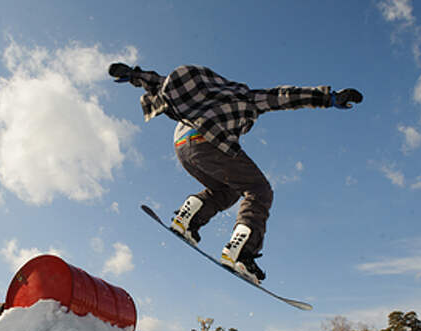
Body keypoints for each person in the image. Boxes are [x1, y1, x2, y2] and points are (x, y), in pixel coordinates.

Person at [109, 63, 362, 284]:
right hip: (207, 139)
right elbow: (285, 97)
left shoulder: (209, 93)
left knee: (227, 191)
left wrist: (133, 74)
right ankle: (242, 254)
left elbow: (161, 81)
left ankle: (188, 220)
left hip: (182, 146)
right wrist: (328, 98)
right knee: (259, 189)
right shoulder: (248, 98)